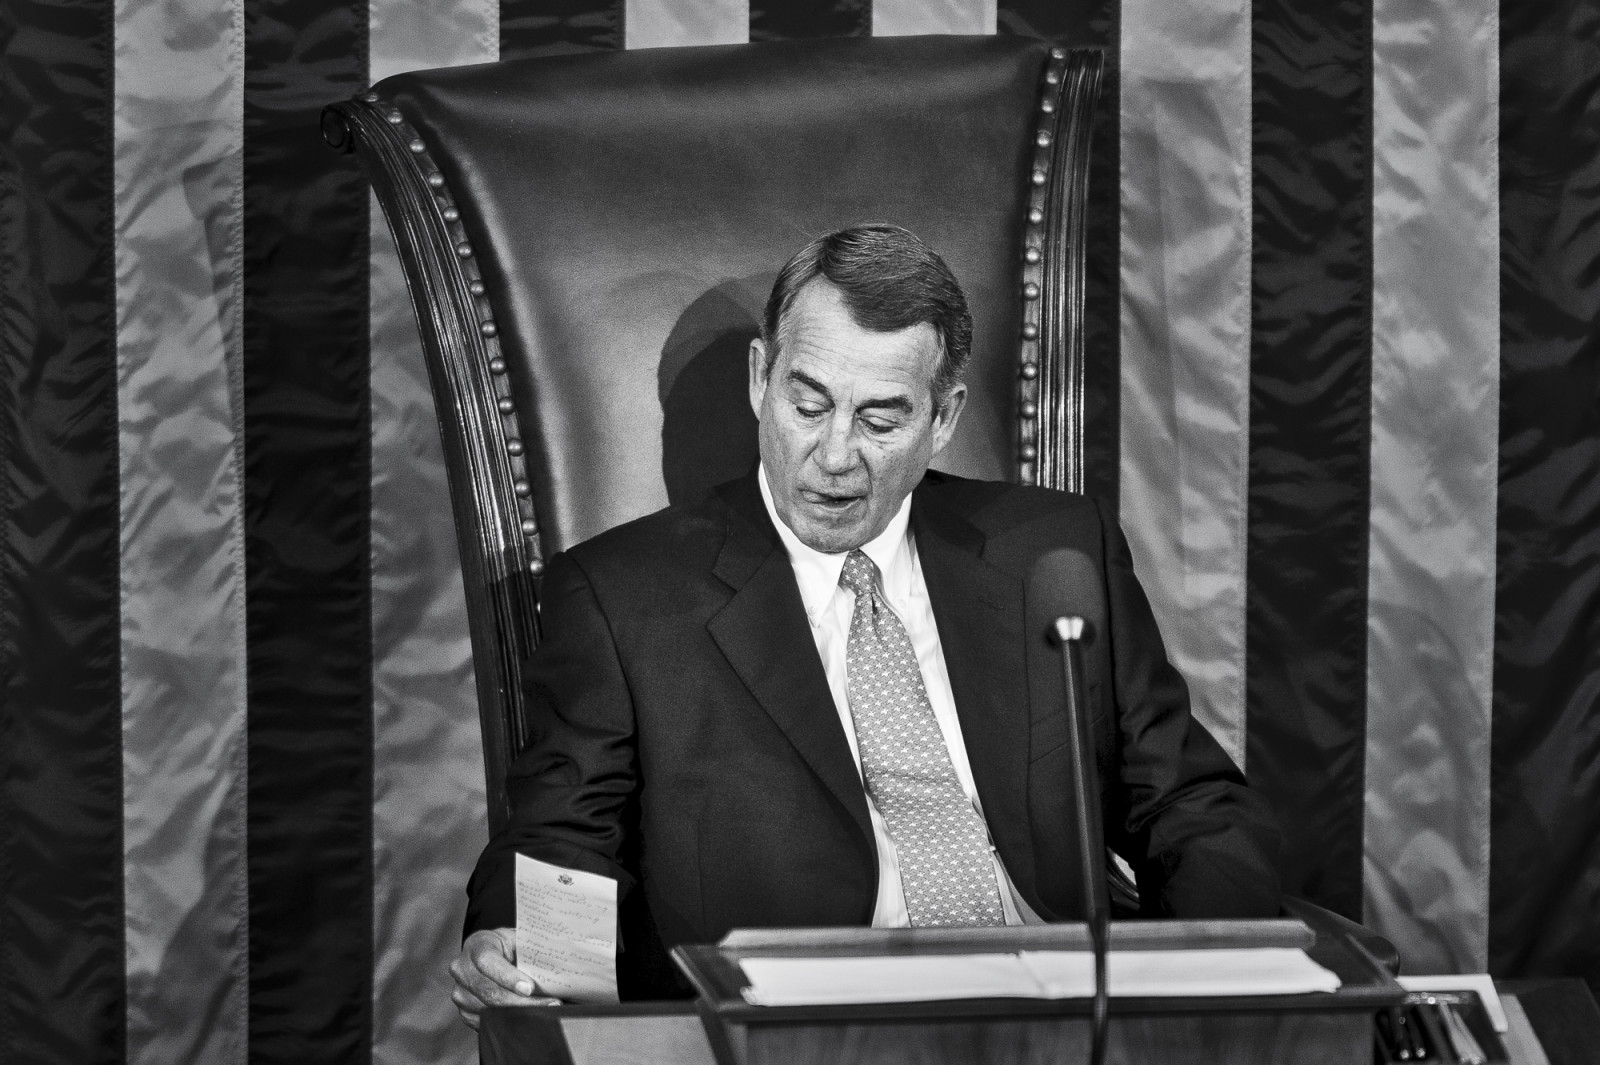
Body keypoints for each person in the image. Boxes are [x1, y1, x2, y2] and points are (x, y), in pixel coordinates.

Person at [449, 223, 1281, 1026]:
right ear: (759, 380)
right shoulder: (624, 597)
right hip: (797, 1032)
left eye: (881, 420)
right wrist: (523, 950)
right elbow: (563, 838)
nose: (836, 454)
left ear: (943, 418)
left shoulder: (1055, 554)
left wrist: (1217, 988)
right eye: (807, 405)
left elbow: (1190, 800)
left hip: (1061, 1015)